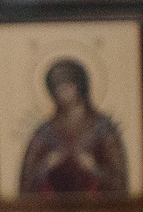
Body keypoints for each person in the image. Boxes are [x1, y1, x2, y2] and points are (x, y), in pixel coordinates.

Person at [20, 57, 129, 197]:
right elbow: (25, 185)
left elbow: (120, 184)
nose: (62, 93)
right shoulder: (45, 132)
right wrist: (46, 166)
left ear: (80, 87)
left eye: (68, 86)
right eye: (57, 89)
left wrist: (94, 168)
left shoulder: (103, 129)